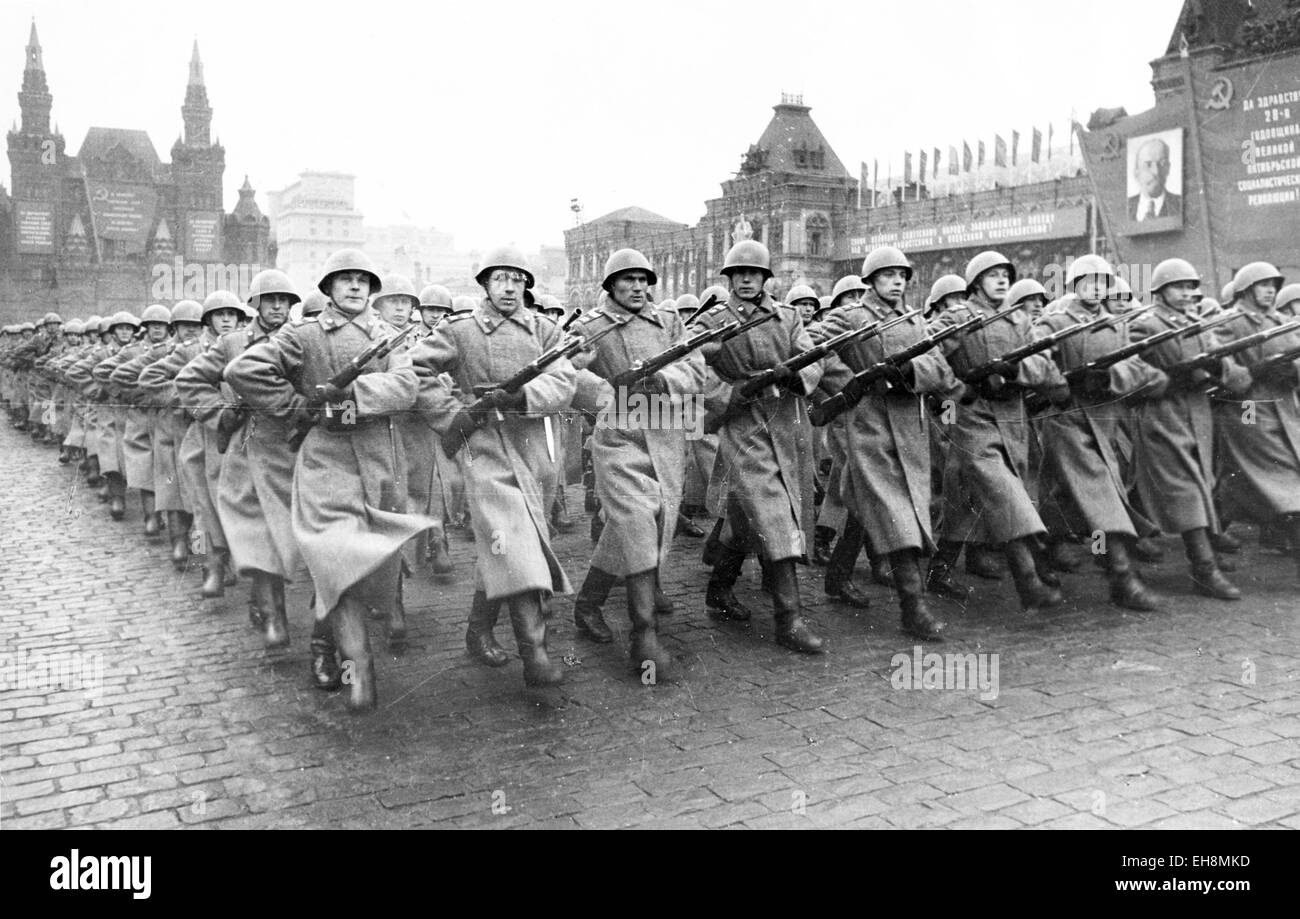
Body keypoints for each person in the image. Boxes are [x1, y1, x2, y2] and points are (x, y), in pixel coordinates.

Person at [226, 250, 433, 711]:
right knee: (337, 556)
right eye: (345, 280)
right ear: (329, 288)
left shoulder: (389, 336)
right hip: (325, 462)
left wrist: (350, 395)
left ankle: (323, 638)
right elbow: (242, 371)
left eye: (363, 280)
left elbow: (406, 386)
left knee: (364, 566)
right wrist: (298, 405)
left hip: (379, 462)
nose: (356, 287)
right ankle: (356, 668)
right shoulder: (303, 335)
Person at [408, 245, 576, 686]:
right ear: (484, 284)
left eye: (518, 279)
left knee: (510, 542)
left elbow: (564, 378)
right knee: (514, 541)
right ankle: (535, 654)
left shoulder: (543, 328)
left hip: (533, 448)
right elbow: (418, 370)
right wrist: (452, 415)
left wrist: (524, 397)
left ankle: (478, 627)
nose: (509, 287)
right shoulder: (460, 330)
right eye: (500, 278)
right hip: (481, 447)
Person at [565, 248, 706, 679]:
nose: (638, 287)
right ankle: (644, 635)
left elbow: (697, 367)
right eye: (628, 280)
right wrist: (607, 394)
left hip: (664, 432)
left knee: (641, 520)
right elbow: (565, 370)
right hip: (619, 436)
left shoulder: (669, 322)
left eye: (644, 280)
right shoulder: (589, 326)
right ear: (610, 285)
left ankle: (588, 601)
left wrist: (664, 378)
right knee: (639, 519)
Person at [813, 246, 964, 639]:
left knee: (876, 510)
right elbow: (808, 347)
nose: (897, 282)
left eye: (902, 275)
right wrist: (850, 383)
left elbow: (940, 369)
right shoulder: (850, 316)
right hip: (868, 427)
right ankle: (913, 608)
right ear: (870, 280)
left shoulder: (914, 320)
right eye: (888, 275)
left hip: (910, 430)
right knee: (897, 515)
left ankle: (838, 574)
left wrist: (907, 371)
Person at [693, 240, 826, 653]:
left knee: (746, 520)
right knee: (776, 514)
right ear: (729, 279)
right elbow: (692, 366)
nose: (746, 279)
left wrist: (795, 375)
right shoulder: (713, 321)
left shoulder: (786, 316)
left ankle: (719, 589)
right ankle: (790, 619)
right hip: (742, 428)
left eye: (754, 273)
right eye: (739, 273)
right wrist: (729, 393)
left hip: (784, 426)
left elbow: (813, 357)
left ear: (767, 278)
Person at [928, 251, 1072, 613]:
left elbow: (1044, 366)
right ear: (976, 282)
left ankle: (943, 568)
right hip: (973, 419)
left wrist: (1013, 372)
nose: (1001, 280)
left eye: (1004, 274)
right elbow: (925, 355)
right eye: (992, 275)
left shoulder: (1017, 320)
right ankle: (1029, 582)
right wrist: (957, 388)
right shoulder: (958, 317)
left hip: (1013, 419)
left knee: (985, 499)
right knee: (1007, 496)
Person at [178, 271, 308, 652]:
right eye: (270, 300)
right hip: (248, 446)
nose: (279, 307)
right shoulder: (233, 342)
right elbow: (190, 380)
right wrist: (220, 413)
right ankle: (274, 616)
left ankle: (270, 601)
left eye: (285, 300)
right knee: (259, 532)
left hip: (295, 446)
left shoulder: (302, 338)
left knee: (291, 534)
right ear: (254, 304)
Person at [1033, 255, 1163, 610]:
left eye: (1102, 282)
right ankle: (1122, 577)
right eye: (1088, 281)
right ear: (1074, 284)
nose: (1095, 288)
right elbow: (1033, 358)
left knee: (1065, 495)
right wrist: (1057, 384)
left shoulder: (1115, 324)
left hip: (1104, 420)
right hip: (1067, 419)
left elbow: (1140, 368)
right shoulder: (1055, 321)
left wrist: (1110, 379)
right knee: (1100, 493)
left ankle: (1041, 553)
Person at [1128, 258, 1245, 600]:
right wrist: (1161, 378)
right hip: (1162, 413)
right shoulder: (1146, 325)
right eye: (1178, 286)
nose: (1186, 293)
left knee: (1202, 484)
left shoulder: (1198, 323)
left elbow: (1228, 366)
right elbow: (1129, 365)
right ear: (1161, 290)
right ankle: (1204, 568)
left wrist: (1216, 367)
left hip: (1198, 412)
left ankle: (1206, 556)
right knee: (1186, 489)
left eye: (1190, 286)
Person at [1213, 262, 1300, 579]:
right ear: (1246, 289)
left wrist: (1293, 371)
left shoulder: (1281, 322)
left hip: (1285, 412)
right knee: (1287, 482)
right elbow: (1216, 362)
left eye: (1274, 286)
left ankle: (1206, 540)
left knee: (1238, 485)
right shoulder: (1229, 322)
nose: (1270, 291)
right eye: (1263, 285)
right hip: (1247, 411)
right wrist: (1251, 372)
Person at [136, 300, 204, 570]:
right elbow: (146, 379)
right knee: (174, 490)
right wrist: (181, 397)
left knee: (201, 495)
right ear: (174, 327)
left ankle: (202, 555)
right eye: (185, 326)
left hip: (203, 428)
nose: (191, 331)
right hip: (172, 428)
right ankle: (178, 544)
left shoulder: (210, 349)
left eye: (196, 326)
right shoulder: (171, 353)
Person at [109, 304, 173, 537]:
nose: (157, 329)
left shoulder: (174, 349)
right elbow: (111, 376)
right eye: (152, 325)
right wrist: (136, 396)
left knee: (171, 472)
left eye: (162, 325)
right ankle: (151, 518)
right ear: (145, 327)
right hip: (140, 415)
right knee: (144, 466)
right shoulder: (133, 351)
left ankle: (183, 540)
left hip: (169, 417)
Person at [1128, 137, 1182, 222]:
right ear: (1136, 172)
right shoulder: (1126, 206)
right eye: (1148, 164)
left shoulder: (1181, 204)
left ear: (1168, 168)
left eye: (1162, 164)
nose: (1156, 171)